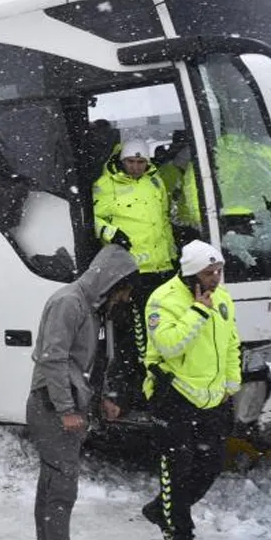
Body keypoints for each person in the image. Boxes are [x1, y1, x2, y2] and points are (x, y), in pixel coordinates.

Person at [28, 244, 138, 540]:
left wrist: (101, 397)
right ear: (110, 281)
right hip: (52, 407)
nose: (124, 298)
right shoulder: (69, 303)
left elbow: (89, 362)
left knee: (52, 483)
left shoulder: (92, 307)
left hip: (68, 404)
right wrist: (65, 409)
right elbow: (53, 359)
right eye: (123, 290)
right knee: (61, 488)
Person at [140, 240, 241, 540]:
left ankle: (160, 510)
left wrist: (231, 384)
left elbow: (230, 344)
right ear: (190, 274)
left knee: (211, 465)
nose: (216, 278)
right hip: (175, 399)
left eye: (219, 270)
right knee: (177, 472)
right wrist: (197, 311)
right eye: (209, 272)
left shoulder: (223, 298)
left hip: (211, 400)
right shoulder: (162, 301)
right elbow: (168, 346)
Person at [93, 139, 178, 411]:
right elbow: (93, 219)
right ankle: (138, 388)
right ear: (122, 160)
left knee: (164, 329)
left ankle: (162, 385)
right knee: (138, 335)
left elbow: (163, 222)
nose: (136, 167)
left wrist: (173, 255)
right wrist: (111, 234)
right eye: (131, 161)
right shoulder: (106, 185)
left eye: (141, 162)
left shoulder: (155, 182)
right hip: (133, 271)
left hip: (162, 268)